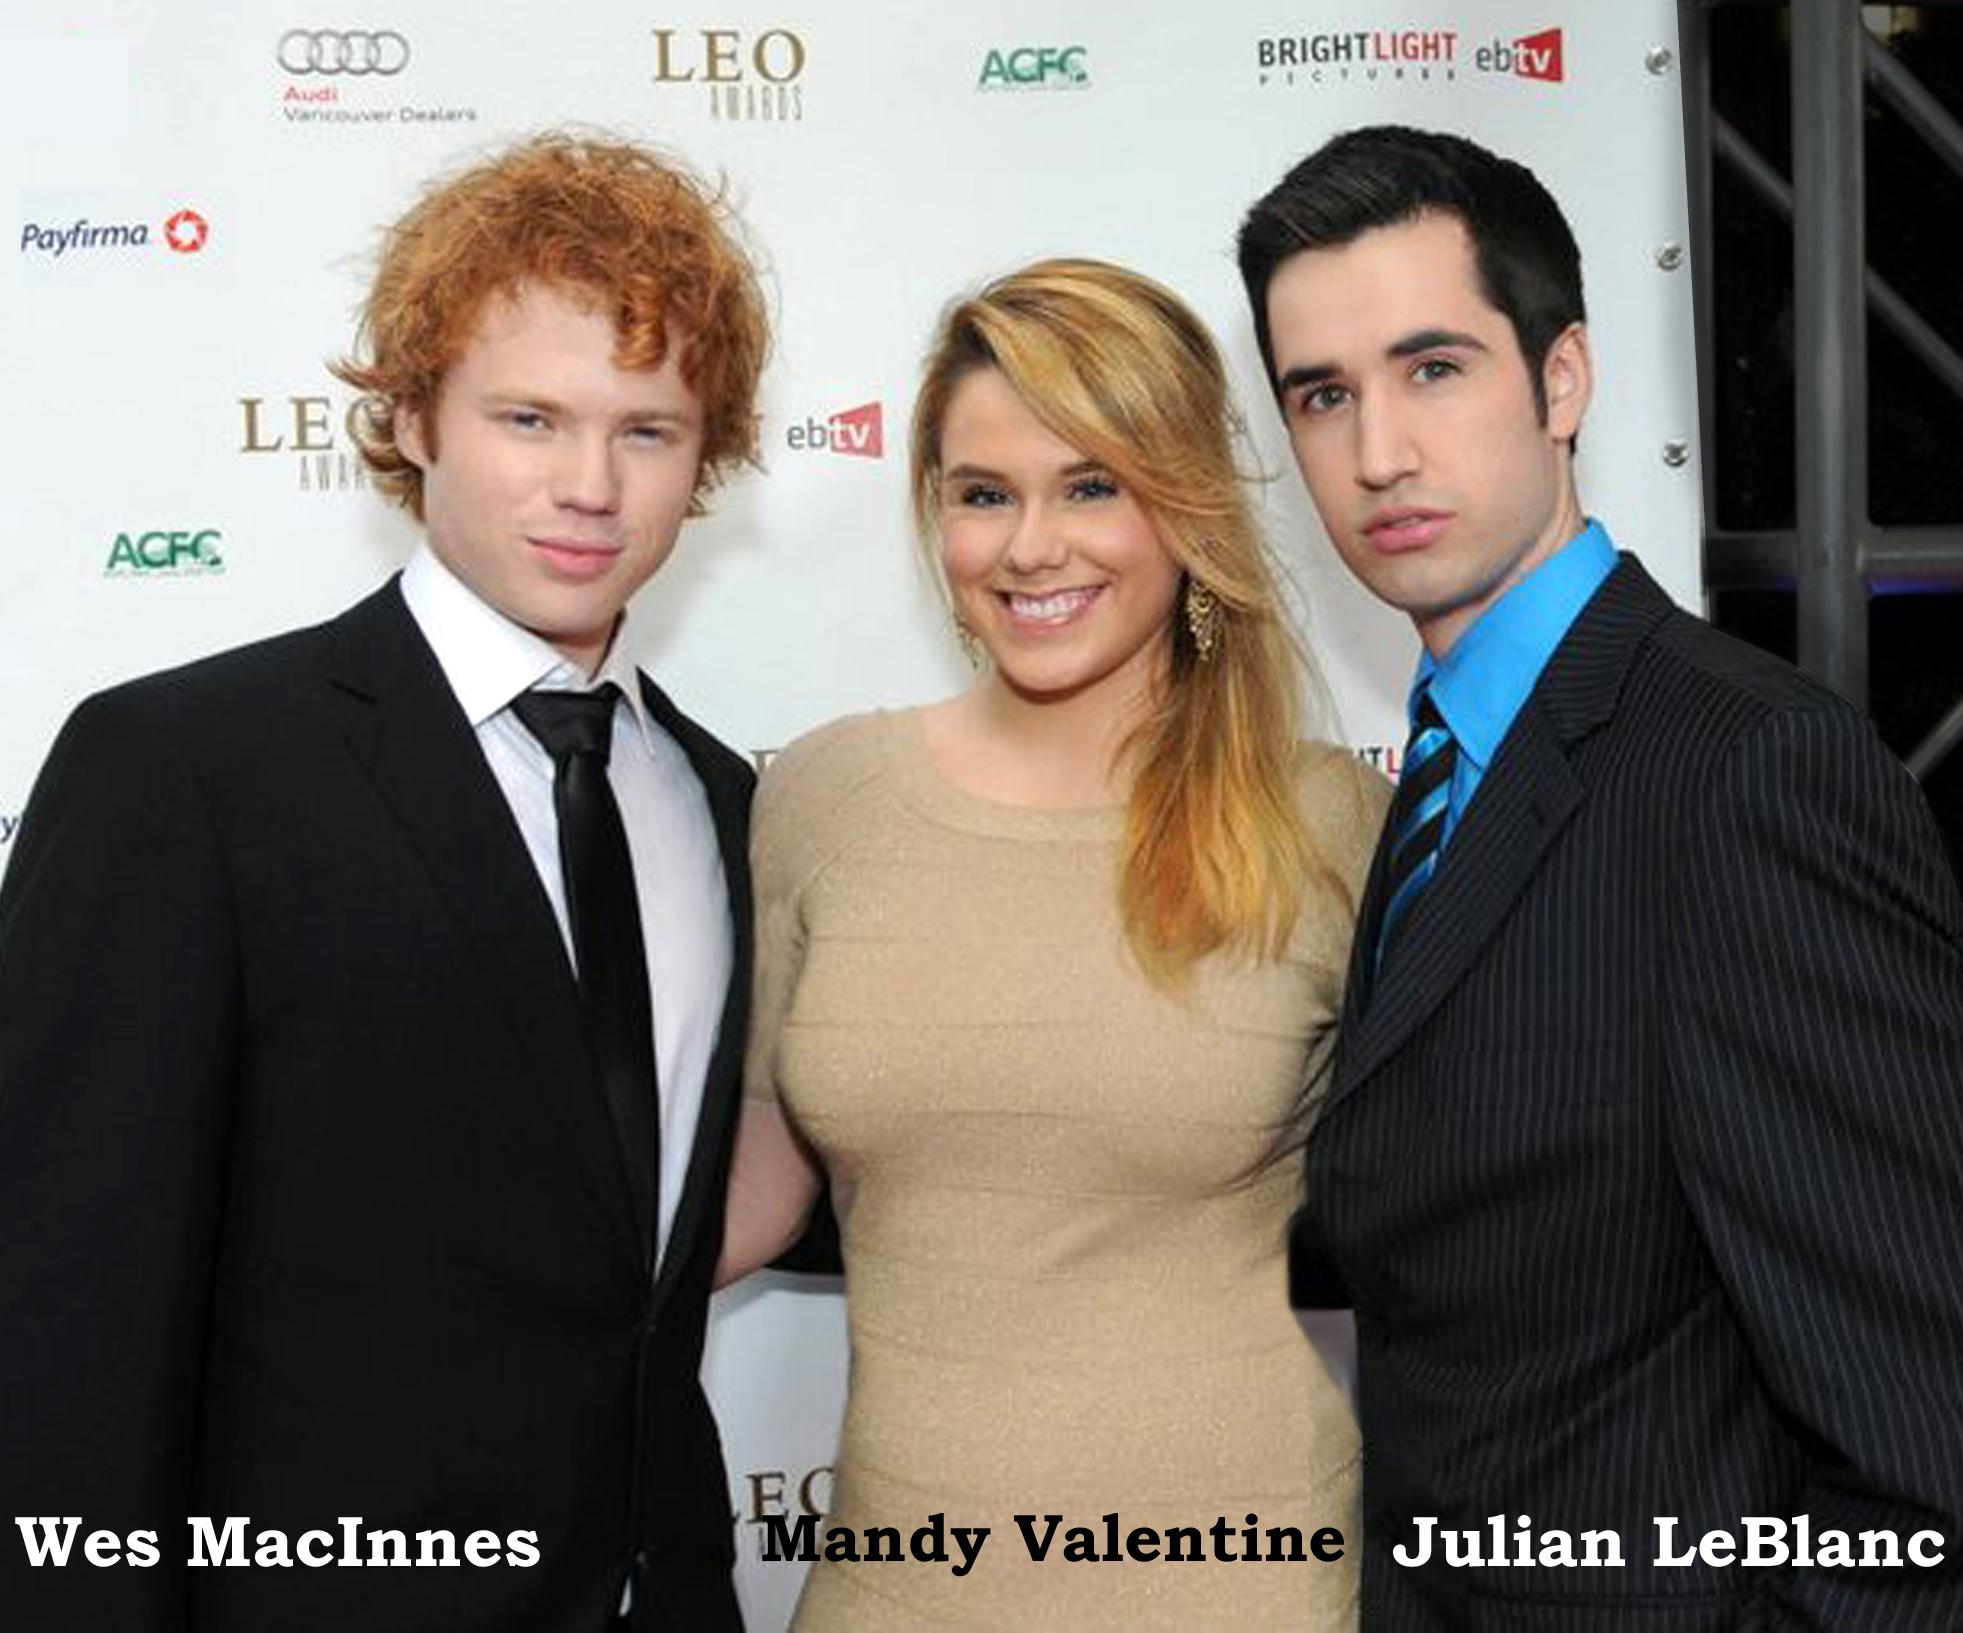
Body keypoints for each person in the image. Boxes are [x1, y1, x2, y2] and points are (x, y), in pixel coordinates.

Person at [0, 133, 767, 1632]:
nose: (590, 486)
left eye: (649, 430)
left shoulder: (722, 800)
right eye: (529, 416)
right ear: (413, 415)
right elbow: (58, 1320)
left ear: (708, 456)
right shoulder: (184, 769)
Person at [1237, 123, 1963, 1629]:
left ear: (1562, 380)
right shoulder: (1446, 771)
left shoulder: (1743, 773)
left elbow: (1925, 1469)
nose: (1378, 452)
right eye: (1324, 394)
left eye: (1434, 368)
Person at [718, 258, 1385, 1628]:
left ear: (1186, 502)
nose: (1032, 546)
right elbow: (745, 1193)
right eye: (983, 493)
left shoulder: (1328, 820)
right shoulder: (824, 796)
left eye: (1093, 485)